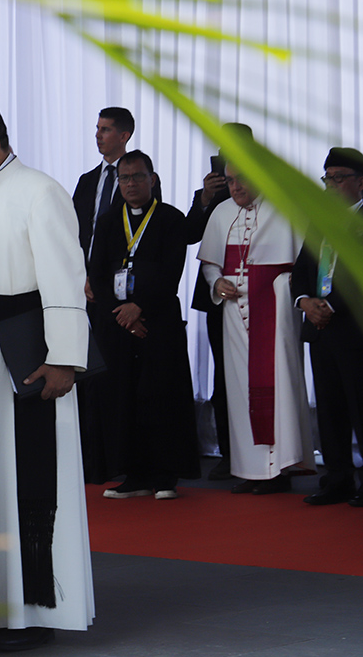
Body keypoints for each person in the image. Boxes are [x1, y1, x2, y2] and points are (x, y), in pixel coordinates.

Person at [0, 98, 95, 651]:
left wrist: (64, 359)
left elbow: (63, 280)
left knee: (20, 482)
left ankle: (27, 614)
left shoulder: (40, 191)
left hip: (19, 361)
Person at [88, 151, 200, 499]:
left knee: (159, 397)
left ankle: (165, 475)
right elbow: (96, 274)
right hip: (117, 326)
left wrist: (140, 309)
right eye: (124, 178)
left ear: (152, 179)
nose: (131, 184)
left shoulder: (170, 219)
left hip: (157, 323)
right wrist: (120, 313)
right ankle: (134, 474)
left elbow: (172, 273)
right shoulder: (108, 222)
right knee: (122, 398)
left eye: (137, 177)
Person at [198, 163, 314, 493]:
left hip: (276, 311)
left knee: (278, 385)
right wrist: (217, 282)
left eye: (242, 180)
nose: (235, 187)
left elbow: (300, 264)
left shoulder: (285, 209)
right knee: (239, 389)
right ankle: (251, 469)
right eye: (231, 181)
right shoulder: (221, 213)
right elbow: (210, 264)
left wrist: (277, 286)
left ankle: (280, 468)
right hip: (235, 314)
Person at [293, 147, 363, 506]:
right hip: (320, 328)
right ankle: (337, 479)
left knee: (359, 405)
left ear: (360, 183)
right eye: (327, 178)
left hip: (353, 329)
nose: (331, 185)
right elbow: (300, 271)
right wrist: (306, 302)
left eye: (339, 178)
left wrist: (330, 305)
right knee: (330, 406)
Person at [186, 123, 254, 482]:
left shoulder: (262, 185)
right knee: (225, 374)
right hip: (218, 292)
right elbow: (190, 234)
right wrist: (206, 199)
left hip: (257, 288)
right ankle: (230, 453)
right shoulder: (213, 189)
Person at [73, 107, 134, 260]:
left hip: (122, 271)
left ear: (123, 136)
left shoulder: (140, 181)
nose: (97, 135)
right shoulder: (86, 181)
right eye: (97, 128)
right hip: (84, 270)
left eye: (105, 130)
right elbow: (74, 226)